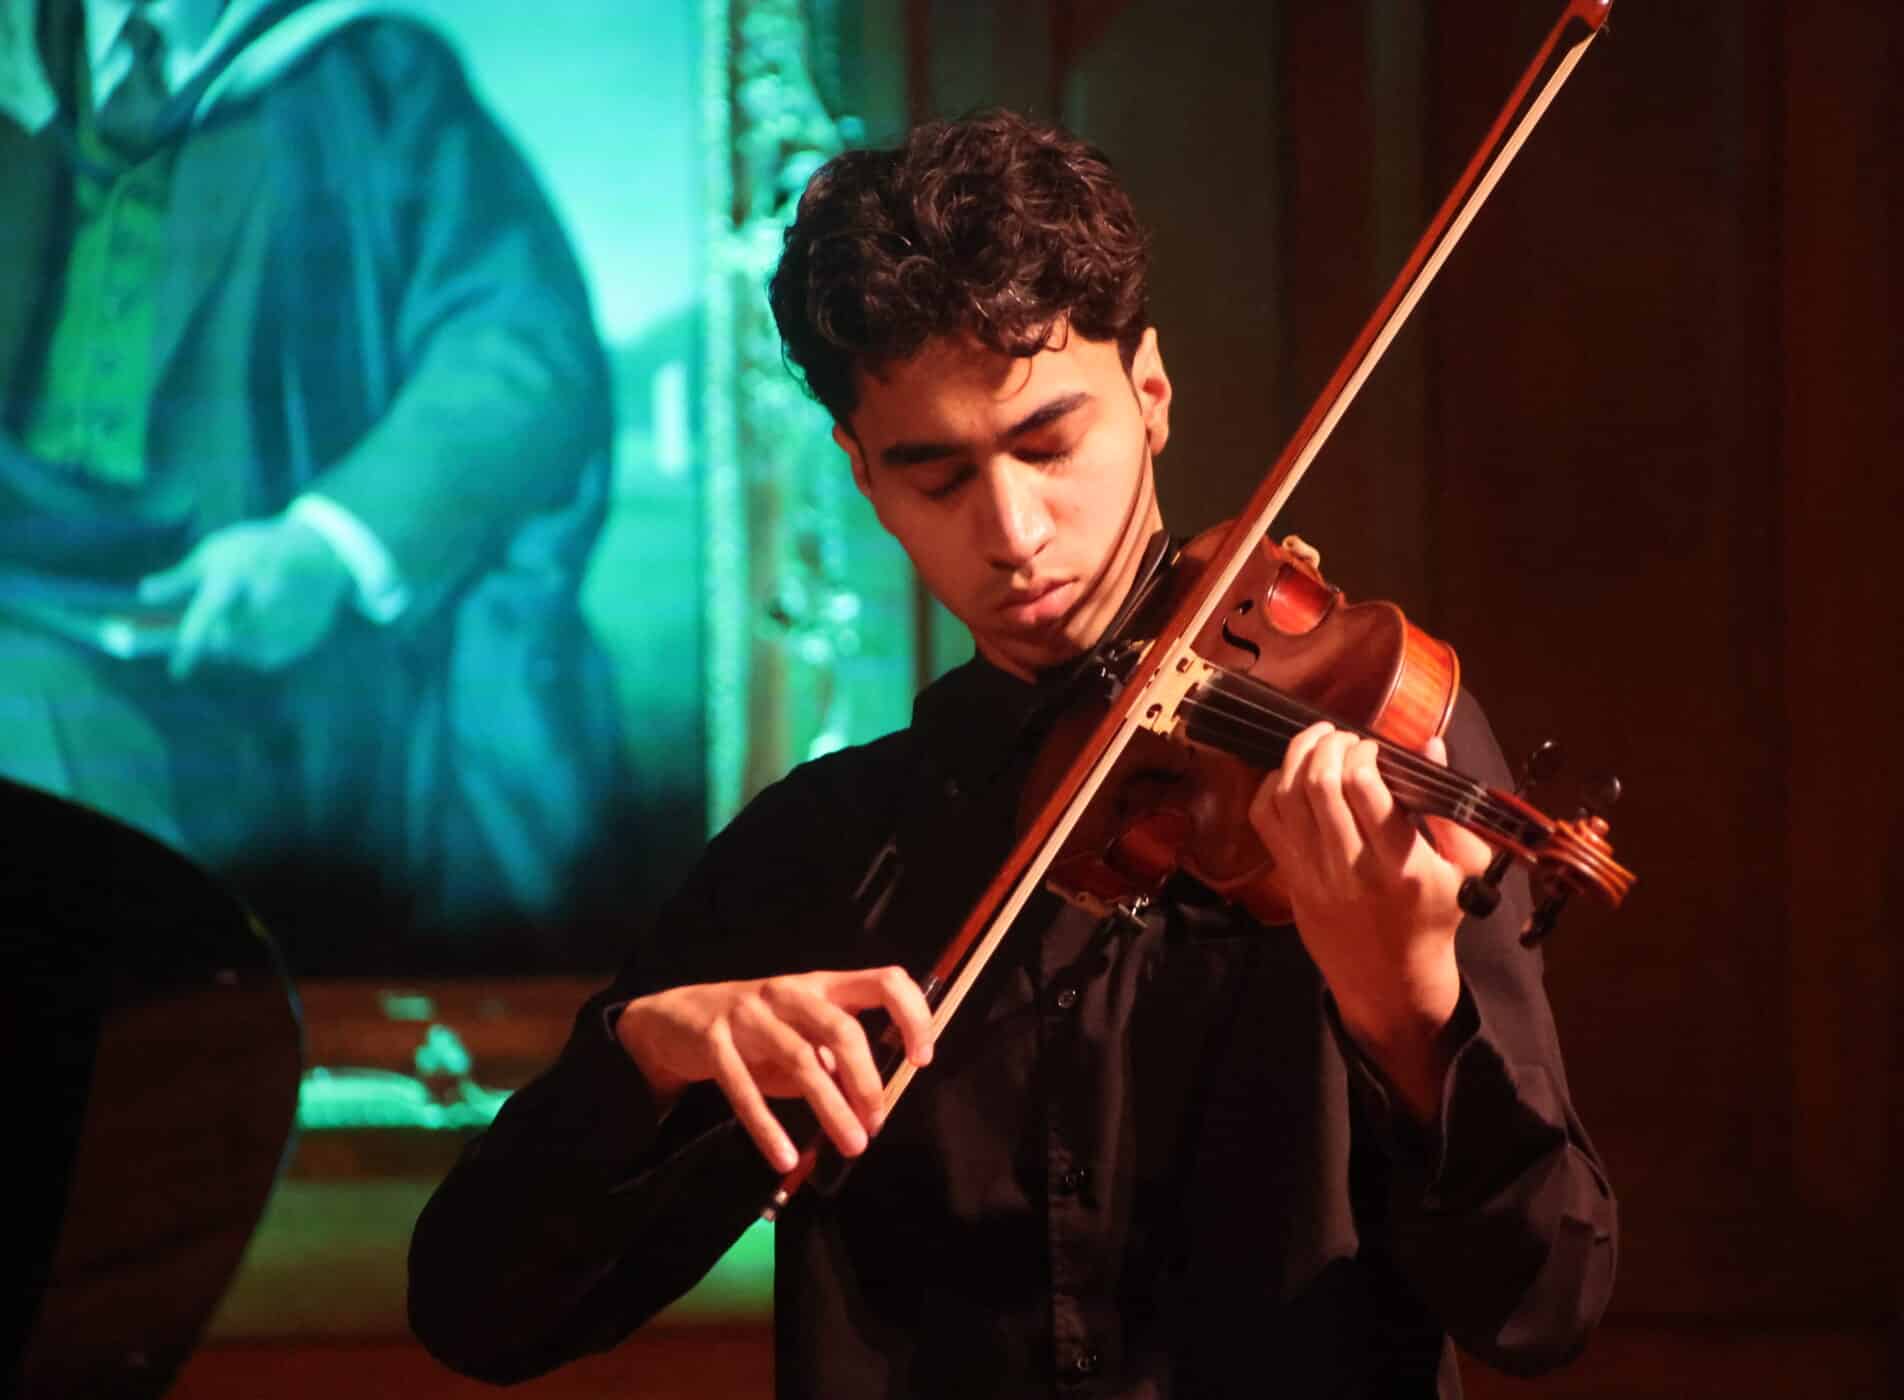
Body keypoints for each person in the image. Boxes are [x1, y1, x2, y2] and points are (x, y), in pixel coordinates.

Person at [409, 110, 1614, 1396]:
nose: (1014, 531)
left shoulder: (1364, 747)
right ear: (864, 476)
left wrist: (1412, 1017)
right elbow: (479, 1312)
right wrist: (648, 1056)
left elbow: (1547, 1300)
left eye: (1049, 444)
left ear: (1150, 394)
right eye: (937, 477)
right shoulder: (825, 852)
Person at [0, 0, 620, 963]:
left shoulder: (371, 78)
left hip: (258, 651)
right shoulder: (18, 62)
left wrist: (326, 543)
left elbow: (521, 350)